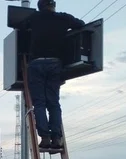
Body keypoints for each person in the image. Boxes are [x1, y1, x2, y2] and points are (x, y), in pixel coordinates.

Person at [23, 0, 85, 149]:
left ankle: (44, 138)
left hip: (36, 63)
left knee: (39, 103)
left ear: (40, 7)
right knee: (53, 102)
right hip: (55, 63)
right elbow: (81, 24)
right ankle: (56, 138)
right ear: (53, 6)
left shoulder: (34, 18)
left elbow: (22, 27)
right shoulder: (63, 18)